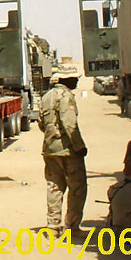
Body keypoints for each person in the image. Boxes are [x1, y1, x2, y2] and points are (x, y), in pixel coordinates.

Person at [39, 66, 88, 235]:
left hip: (50, 148)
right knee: (77, 187)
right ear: (67, 80)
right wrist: (79, 146)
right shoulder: (66, 96)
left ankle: (53, 225)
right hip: (68, 150)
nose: (77, 81)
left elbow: (41, 123)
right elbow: (69, 124)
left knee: (54, 186)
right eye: (75, 78)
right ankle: (72, 226)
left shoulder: (46, 96)